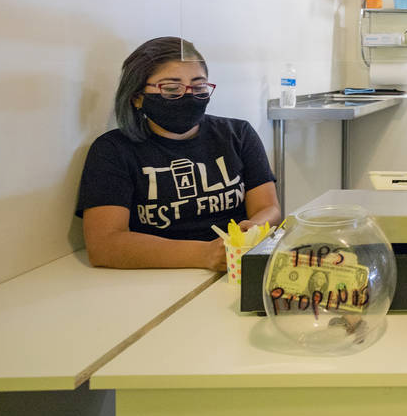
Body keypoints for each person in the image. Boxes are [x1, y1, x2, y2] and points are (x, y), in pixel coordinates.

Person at [76, 37, 281, 270]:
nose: (188, 95)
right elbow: (104, 245)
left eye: (199, 86)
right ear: (137, 97)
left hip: (234, 267)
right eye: (172, 89)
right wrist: (205, 254)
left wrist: (253, 228)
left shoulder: (238, 134)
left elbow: (269, 208)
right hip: (154, 277)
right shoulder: (112, 150)